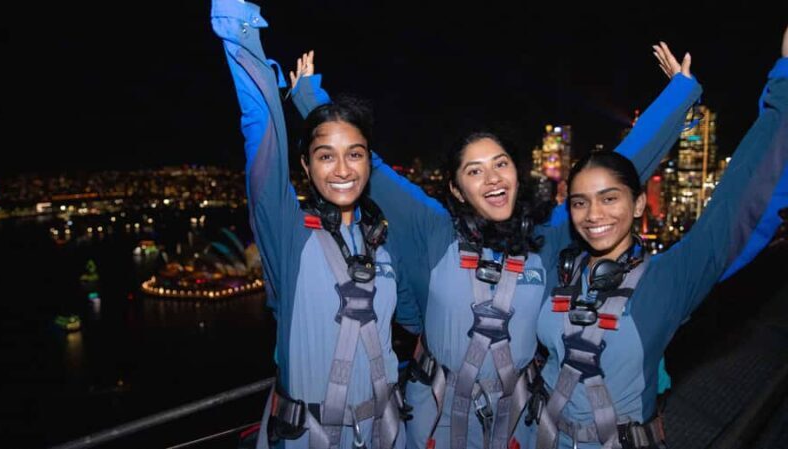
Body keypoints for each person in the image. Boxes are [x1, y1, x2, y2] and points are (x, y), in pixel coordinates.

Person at [290, 44, 701, 448]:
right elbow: (368, 167)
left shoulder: (548, 236)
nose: (492, 179)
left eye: (501, 164)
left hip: (515, 422)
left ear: (516, 173)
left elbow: (622, 167)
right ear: (457, 188)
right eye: (475, 170)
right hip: (435, 418)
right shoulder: (435, 230)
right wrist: (311, 98)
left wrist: (679, 96)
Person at [532, 26, 788, 449]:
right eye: (580, 202)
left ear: (637, 205)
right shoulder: (557, 266)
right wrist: (676, 97)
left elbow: (735, 207)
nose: (594, 214)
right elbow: (622, 161)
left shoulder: (666, 281)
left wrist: (784, 82)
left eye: (610, 199)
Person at [210, 1, 406, 448]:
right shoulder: (290, 235)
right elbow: (261, 129)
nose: (342, 169)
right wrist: (240, 27)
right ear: (305, 165)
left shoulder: (381, 242)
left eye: (354, 154)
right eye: (325, 155)